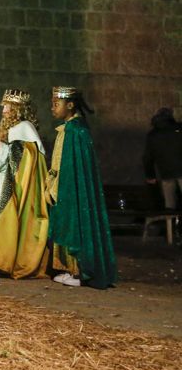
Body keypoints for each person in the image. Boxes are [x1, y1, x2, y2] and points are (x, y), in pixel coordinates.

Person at [0, 89, 50, 279]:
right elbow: (0, 164)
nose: (4, 110)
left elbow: (30, 156)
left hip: (18, 188)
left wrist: (5, 148)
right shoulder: (5, 129)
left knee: (10, 221)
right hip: (2, 183)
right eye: (4, 106)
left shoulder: (25, 128)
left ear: (18, 109)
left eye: (8, 107)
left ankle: (8, 260)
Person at [46, 87, 117, 288]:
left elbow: (73, 167)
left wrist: (62, 186)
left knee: (75, 225)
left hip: (71, 189)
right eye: (51, 104)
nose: (52, 108)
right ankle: (70, 269)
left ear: (70, 105)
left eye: (56, 104)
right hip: (63, 186)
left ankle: (79, 271)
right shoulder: (69, 128)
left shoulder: (76, 131)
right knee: (67, 224)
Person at [143, 107, 182, 215]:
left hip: (166, 172)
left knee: (169, 205)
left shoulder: (152, 135)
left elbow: (147, 157)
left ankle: (171, 228)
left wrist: (150, 176)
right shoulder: (179, 128)